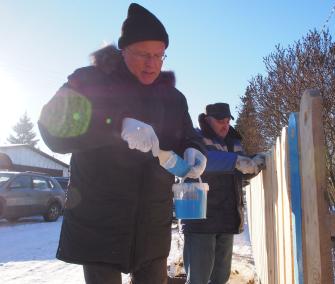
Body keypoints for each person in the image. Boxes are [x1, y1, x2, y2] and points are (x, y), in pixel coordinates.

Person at [38, 3, 206, 284]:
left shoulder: (173, 98)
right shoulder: (88, 81)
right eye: (142, 54)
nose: (152, 63)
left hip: (152, 224)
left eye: (159, 55)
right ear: (122, 50)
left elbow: (189, 134)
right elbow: (51, 131)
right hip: (99, 222)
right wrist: (116, 126)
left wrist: (194, 149)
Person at [182, 103, 266, 284]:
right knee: (198, 278)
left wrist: (254, 164)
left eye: (228, 121)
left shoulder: (233, 143)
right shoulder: (195, 137)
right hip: (199, 221)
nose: (225, 125)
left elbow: (238, 175)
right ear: (207, 120)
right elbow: (202, 161)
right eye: (220, 121)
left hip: (226, 220)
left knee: (221, 278)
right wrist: (236, 161)